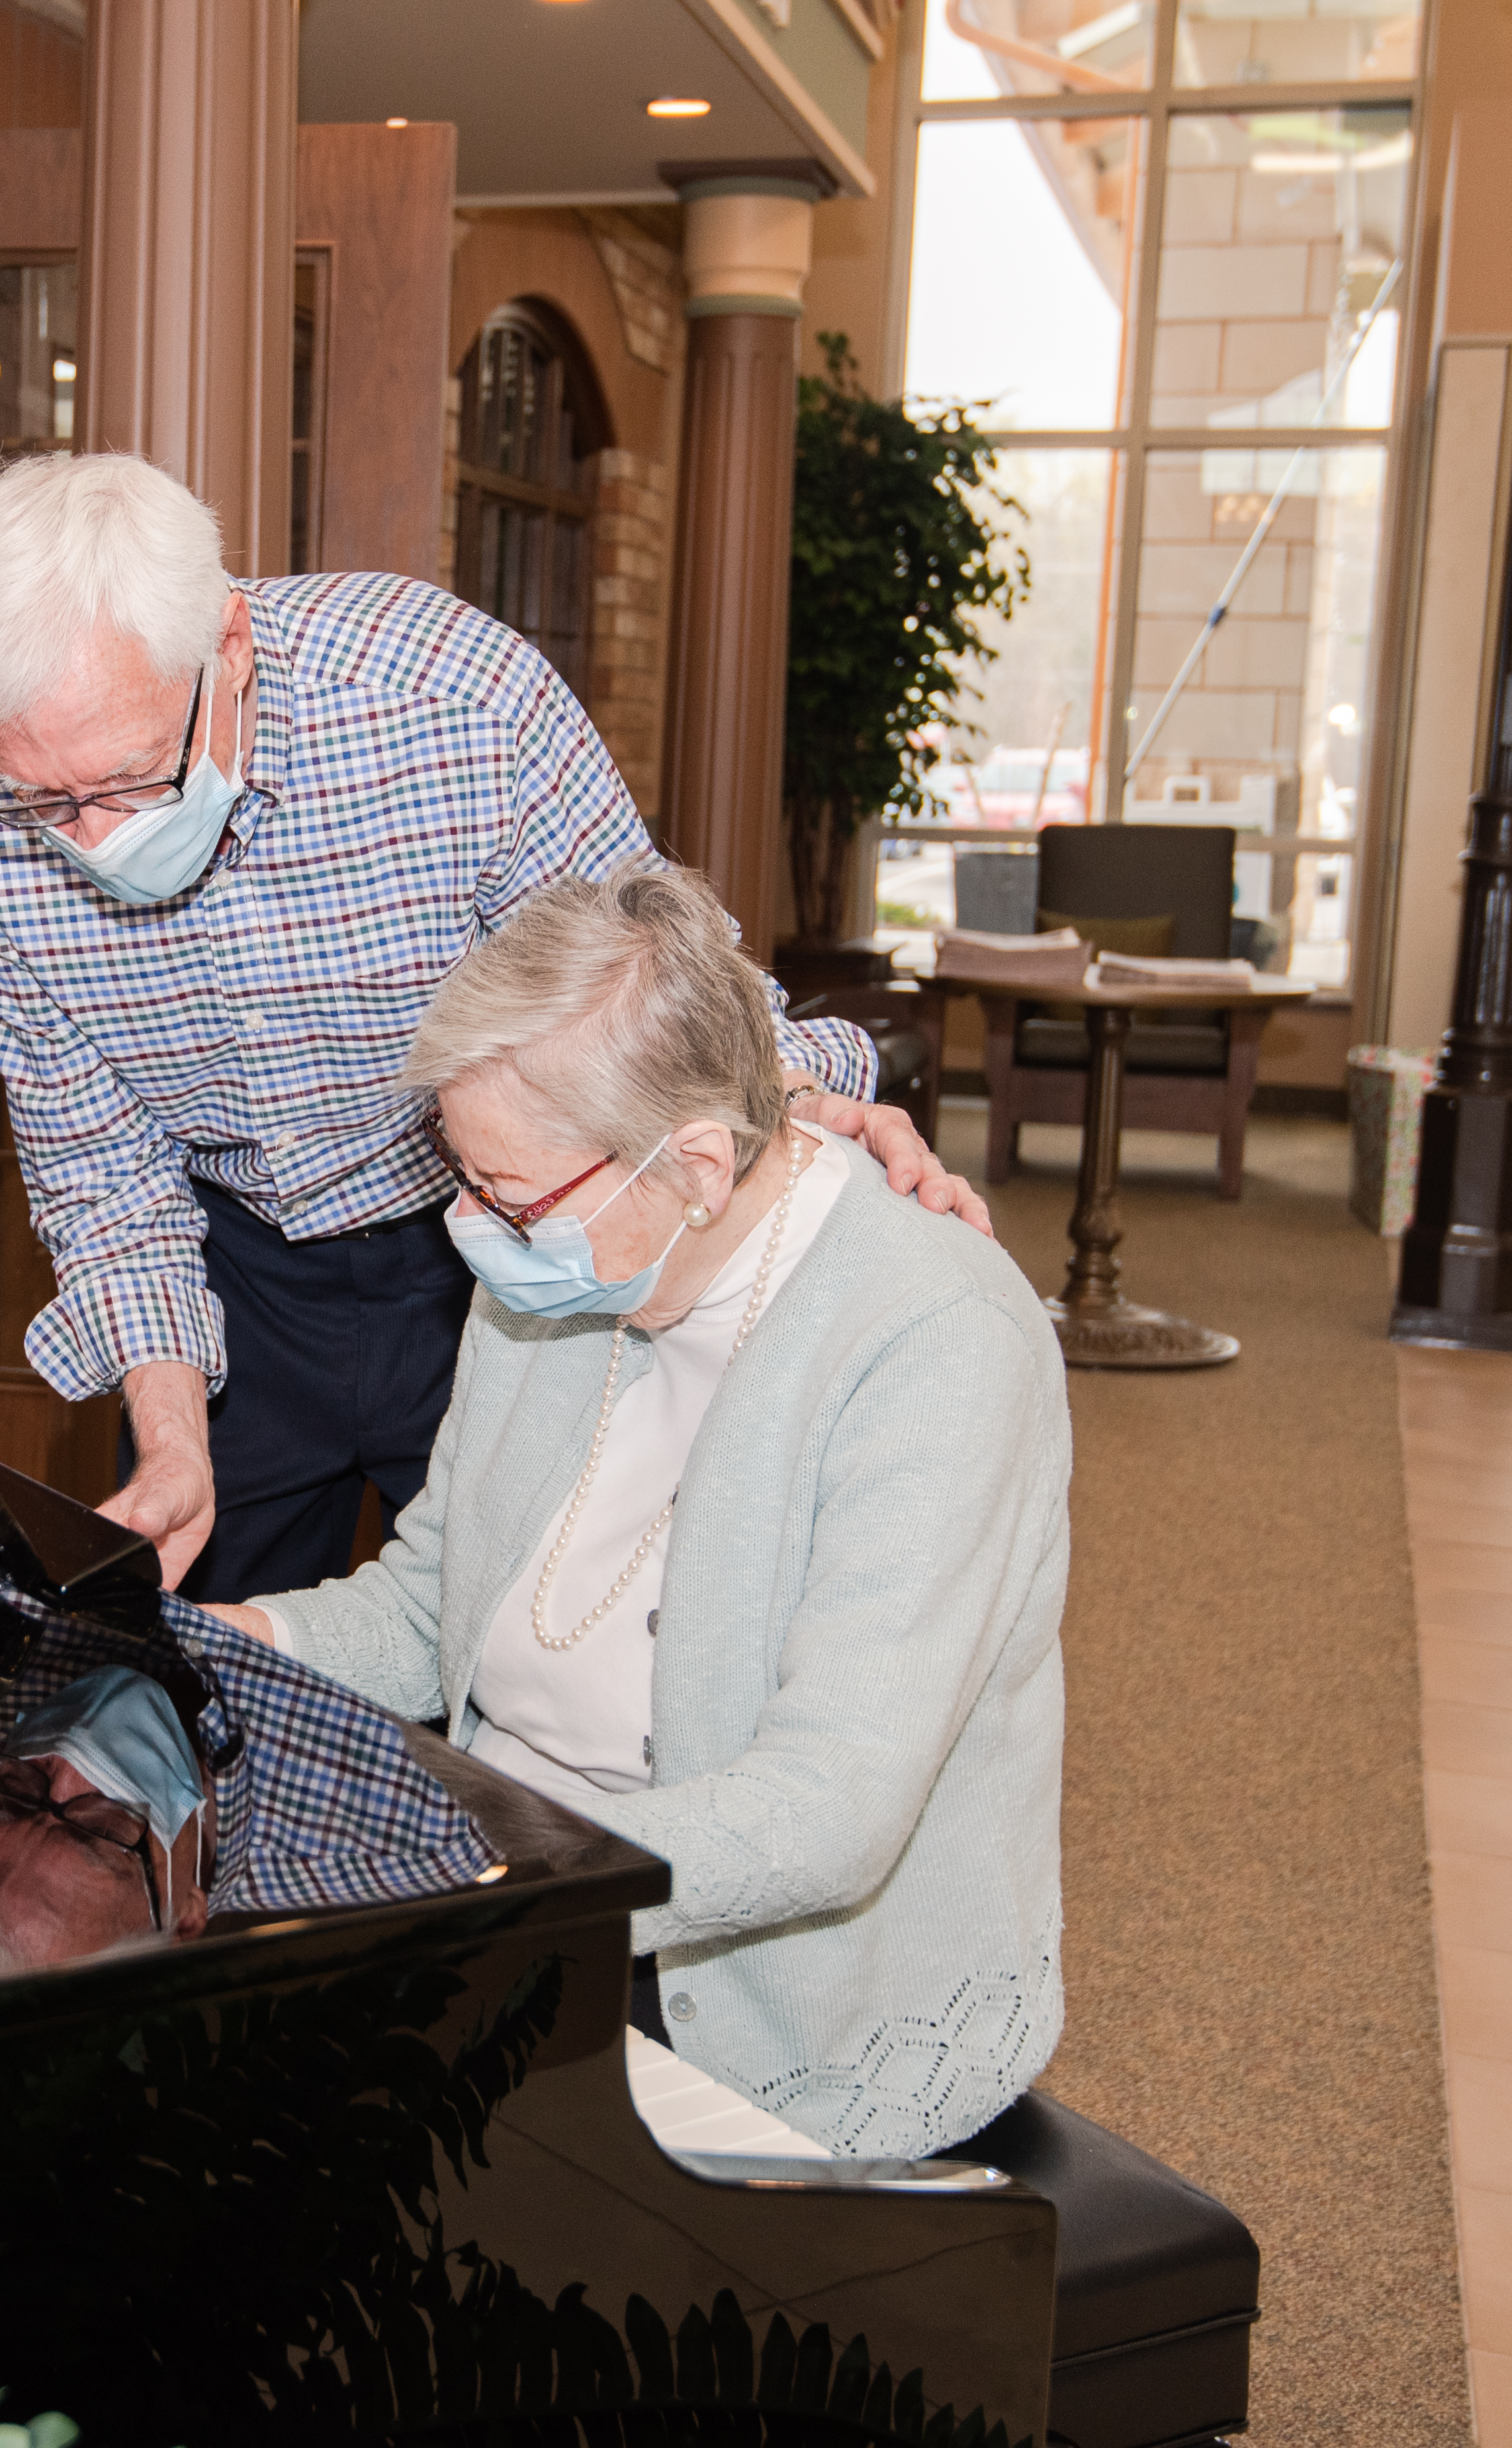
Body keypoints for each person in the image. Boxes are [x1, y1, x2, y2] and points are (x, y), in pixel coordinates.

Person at [0, 453, 986, 1606]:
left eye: (132, 779)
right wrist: (175, 1434)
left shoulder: (454, 705)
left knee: (525, 1637)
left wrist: (797, 1106)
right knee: (197, 1671)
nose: (89, 835)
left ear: (227, 648)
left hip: (491, 1243)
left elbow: (650, 994)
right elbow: (103, 1172)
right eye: (45, 797)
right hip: (231, 1280)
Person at [213, 866, 1066, 2159]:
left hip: (765, 2003)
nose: (471, 1229)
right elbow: (427, 1598)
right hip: (514, 1897)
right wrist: (217, 1649)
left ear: (697, 1166)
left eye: (505, 1196)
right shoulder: (560, 1267)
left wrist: (469, 1887)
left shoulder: (934, 1341)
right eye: (464, 1179)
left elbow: (824, 1812)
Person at [0, 1600, 497, 1980]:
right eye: (100, 1831)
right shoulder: (395, 1826)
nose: (69, 1766)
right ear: (184, 1915)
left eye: (14, 1791)